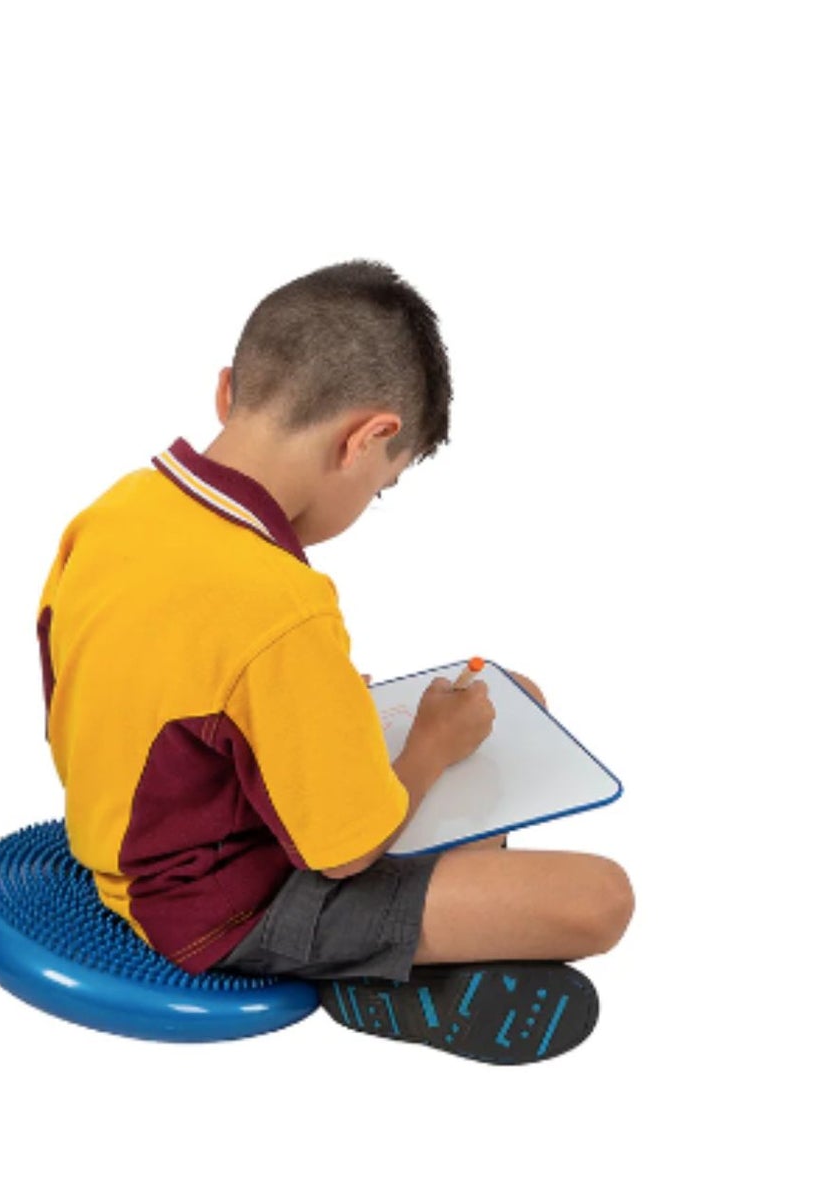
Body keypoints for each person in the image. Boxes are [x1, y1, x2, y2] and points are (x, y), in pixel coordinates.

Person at [35, 262, 633, 1064]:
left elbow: (85, 690)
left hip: (134, 829)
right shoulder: (284, 604)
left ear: (228, 391)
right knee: (598, 900)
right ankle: (373, 977)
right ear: (367, 438)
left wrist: (287, 721)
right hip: (220, 907)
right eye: (382, 486)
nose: (370, 503)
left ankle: (418, 940)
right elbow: (343, 851)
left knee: (510, 697)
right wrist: (427, 751)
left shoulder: (110, 515)